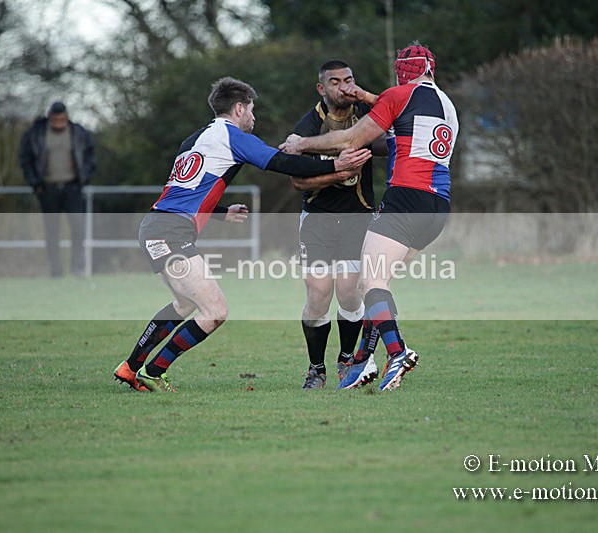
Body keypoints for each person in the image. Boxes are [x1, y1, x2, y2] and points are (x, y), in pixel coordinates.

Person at [112, 76, 371, 393]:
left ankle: (130, 367)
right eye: (251, 110)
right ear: (238, 109)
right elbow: (283, 163)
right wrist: (336, 166)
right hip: (169, 233)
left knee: (184, 303)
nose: (253, 117)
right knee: (215, 311)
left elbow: (185, 191)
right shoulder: (232, 136)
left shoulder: (196, 138)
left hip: (157, 227)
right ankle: (153, 372)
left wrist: (221, 211)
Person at [281, 42, 458, 391]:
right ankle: (362, 360)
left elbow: (350, 138)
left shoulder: (398, 95)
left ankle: (397, 352)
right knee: (375, 285)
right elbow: (400, 110)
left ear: (401, 71)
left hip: (406, 199)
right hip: (438, 207)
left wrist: (300, 145)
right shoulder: (446, 104)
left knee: (371, 283)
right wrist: (364, 95)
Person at [289, 59, 386, 390]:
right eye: (335, 82)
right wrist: (339, 171)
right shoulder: (308, 126)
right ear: (321, 88)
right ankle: (316, 369)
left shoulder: (368, 117)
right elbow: (298, 182)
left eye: (349, 80)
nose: (344, 87)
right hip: (317, 220)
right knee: (318, 294)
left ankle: (347, 360)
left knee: (349, 292)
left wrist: (370, 100)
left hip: (358, 218)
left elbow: (396, 130)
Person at [19, 101, 95, 277]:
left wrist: (84, 178)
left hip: (72, 188)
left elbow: (90, 156)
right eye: (55, 120)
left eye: (62, 119)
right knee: (52, 230)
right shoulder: (37, 134)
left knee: (77, 225)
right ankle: (56, 269)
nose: (59, 123)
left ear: (67, 117)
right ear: (50, 118)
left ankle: (77, 267)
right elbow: (26, 159)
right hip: (47, 189)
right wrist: (35, 183)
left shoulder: (78, 133)